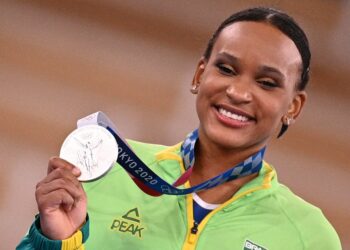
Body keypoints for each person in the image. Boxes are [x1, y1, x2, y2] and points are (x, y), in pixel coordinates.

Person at [17, 7, 341, 250]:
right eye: (226, 69)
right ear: (200, 75)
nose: (239, 93)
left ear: (293, 107)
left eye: (267, 83)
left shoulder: (309, 235)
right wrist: (53, 240)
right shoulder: (107, 171)